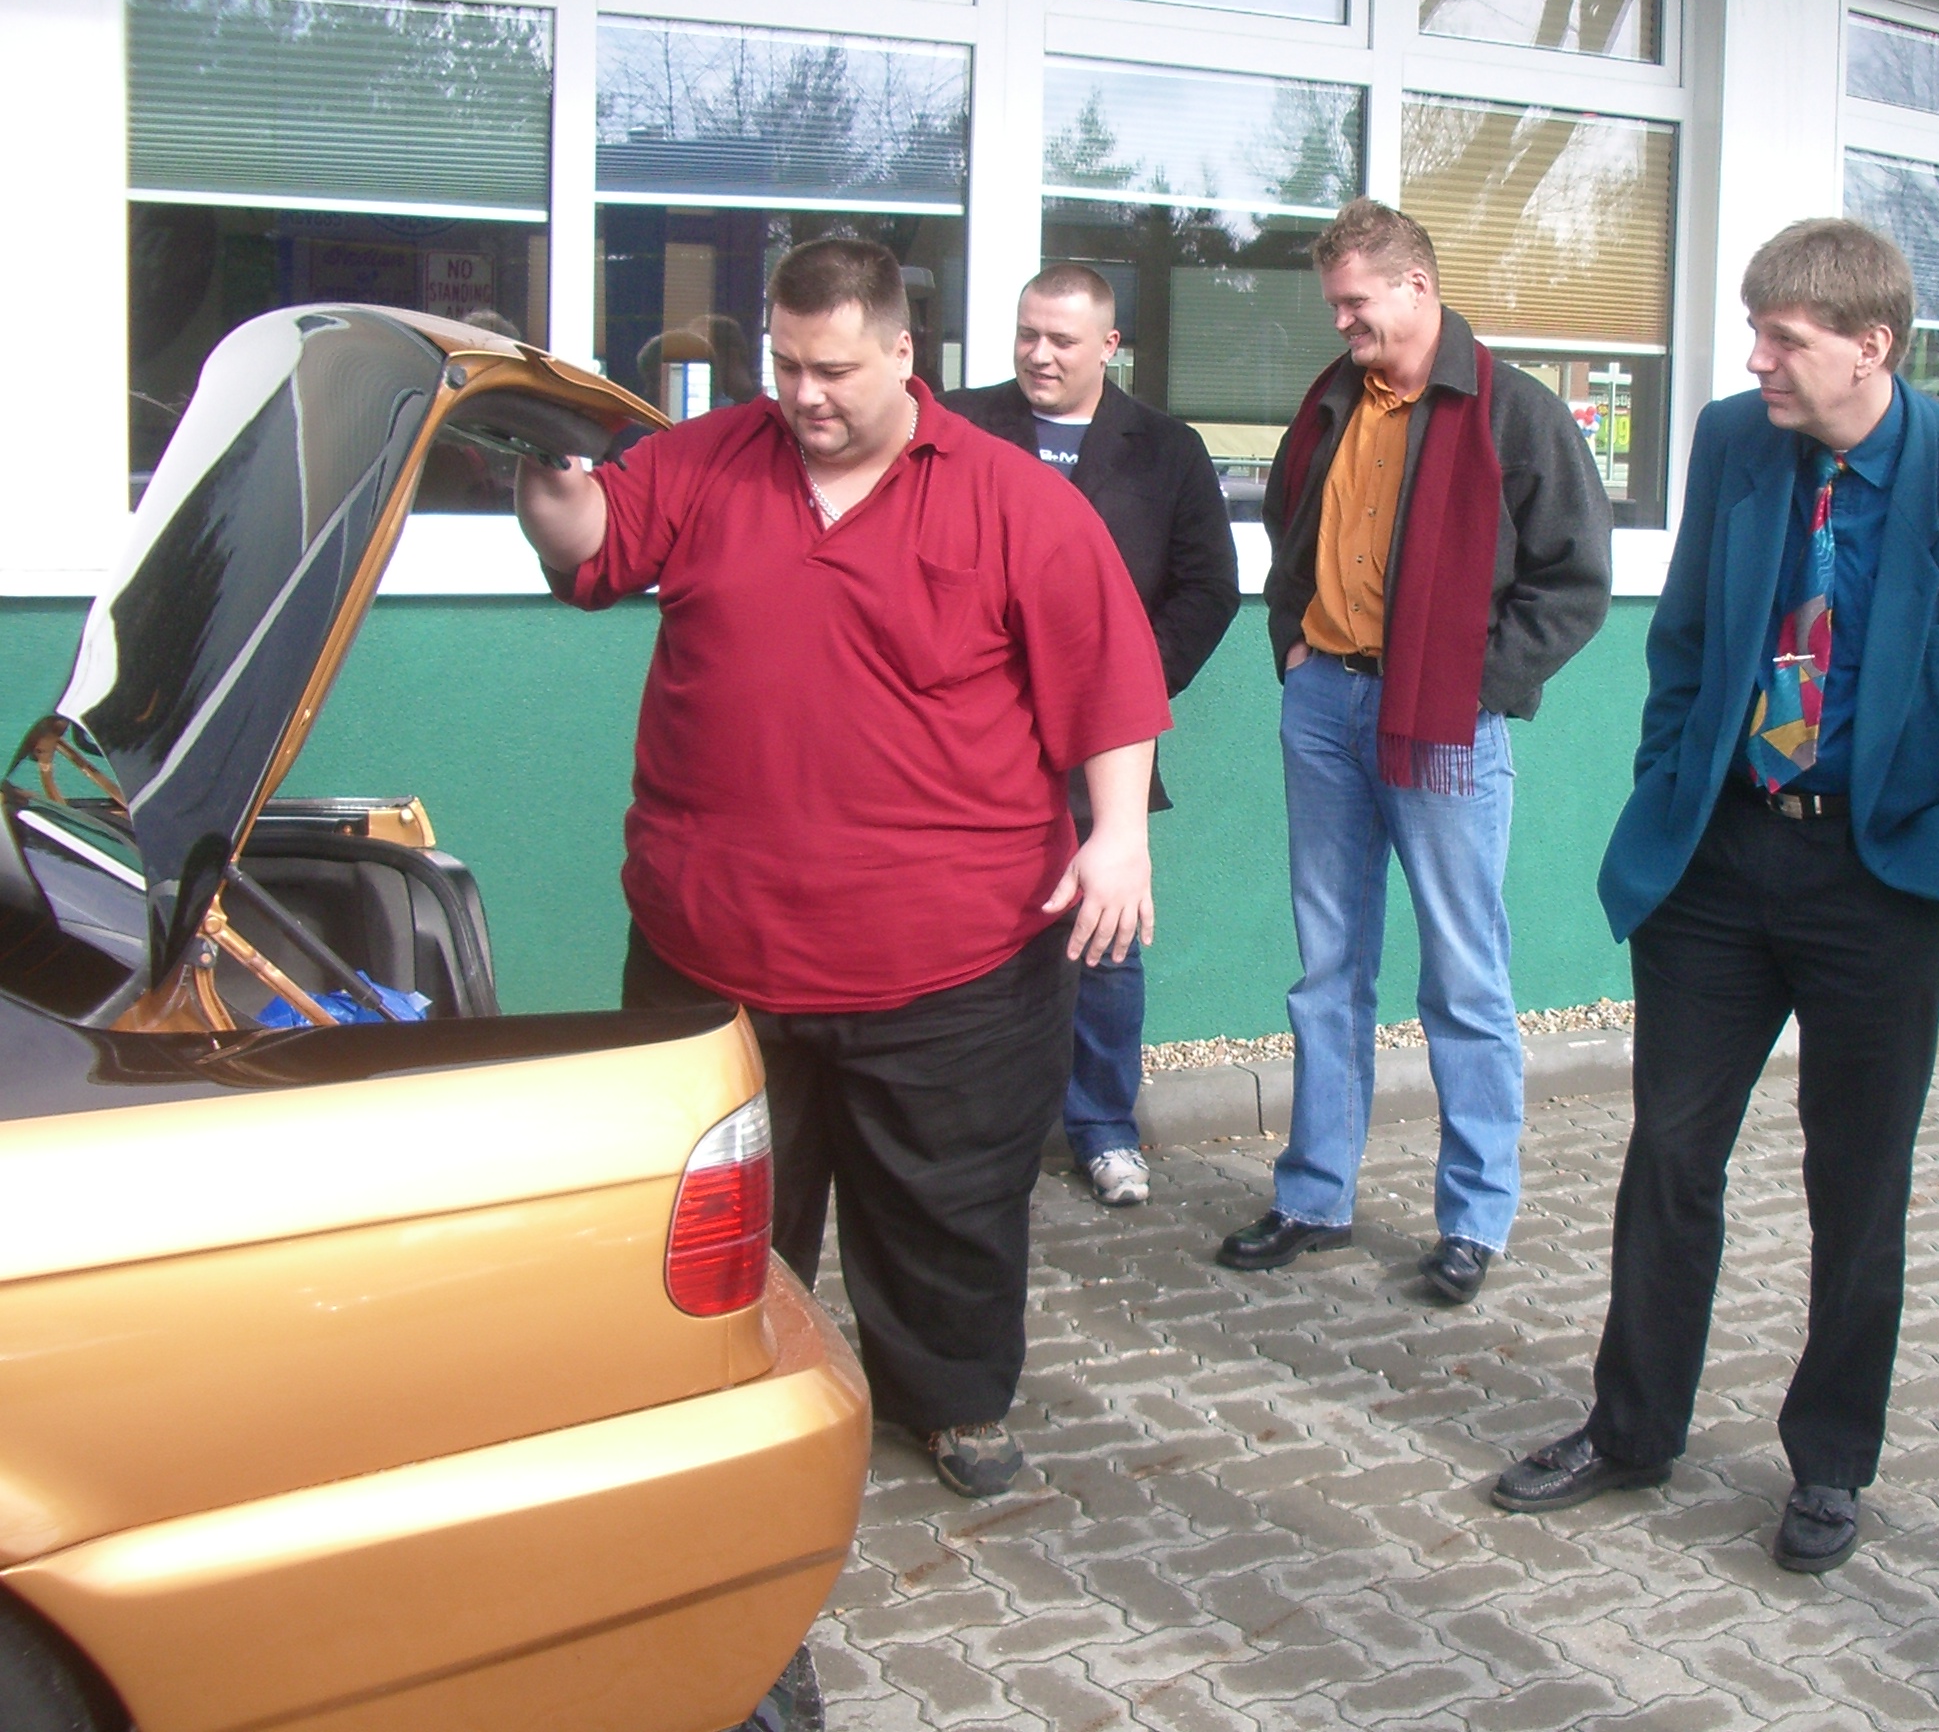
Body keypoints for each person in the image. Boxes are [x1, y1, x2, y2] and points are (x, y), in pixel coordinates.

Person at [514, 237, 1171, 1501]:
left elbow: (1106, 681)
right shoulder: (707, 462)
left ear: (902, 354)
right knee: (715, 1213)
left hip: (952, 959)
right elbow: (585, 540)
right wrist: (543, 467)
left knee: (946, 1207)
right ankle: (718, 1397)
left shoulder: (1012, 499)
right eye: (784, 366)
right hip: (715, 950)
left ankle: (950, 1403)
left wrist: (1118, 836)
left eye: (833, 371)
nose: (805, 395)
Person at [1494, 217, 1939, 1576]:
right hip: (1719, 859)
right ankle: (1632, 1429)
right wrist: (1668, 787)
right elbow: (1689, 640)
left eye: (1784, 340)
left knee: (1854, 1182)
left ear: (1871, 347)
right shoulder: (1735, 442)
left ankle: (1829, 1463)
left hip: (1878, 879)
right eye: (1755, 333)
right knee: (1669, 1152)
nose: (1756, 360)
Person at [1216, 197, 1613, 1304]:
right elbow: (1288, 529)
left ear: (1416, 288)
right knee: (1327, 967)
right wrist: (1291, 640)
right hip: (1325, 707)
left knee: (1462, 975)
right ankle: (1314, 1197)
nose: (1341, 323)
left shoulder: (1514, 412)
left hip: (1445, 727)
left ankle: (1474, 1218)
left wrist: (1474, 686)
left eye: (1356, 303)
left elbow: (1576, 579)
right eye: (1334, 305)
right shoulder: (1332, 402)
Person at [945, 265, 1241, 1207]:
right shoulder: (954, 426)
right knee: (968, 934)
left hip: (1099, 745)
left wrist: (1124, 687)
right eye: (1027, 334)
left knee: (1103, 938)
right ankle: (975, 1129)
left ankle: (1105, 1127)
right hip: (968, 735)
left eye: (1062, 340)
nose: (1039, 354)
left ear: (1109, 346)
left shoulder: (1166, 450)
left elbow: (1209, 588)